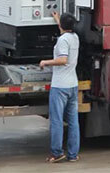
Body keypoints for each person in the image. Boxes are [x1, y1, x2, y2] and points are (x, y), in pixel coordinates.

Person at [39, 11, 80, 163]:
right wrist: (57, 19)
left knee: (56, 120)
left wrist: (45, 62)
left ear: (62, 26)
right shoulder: (75, 38)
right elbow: (64, 31)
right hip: (72, 85)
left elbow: (63, 60)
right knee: (73, 121)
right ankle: (73, 154)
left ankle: (57, 153)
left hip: (60, 86)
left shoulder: (62, 40)